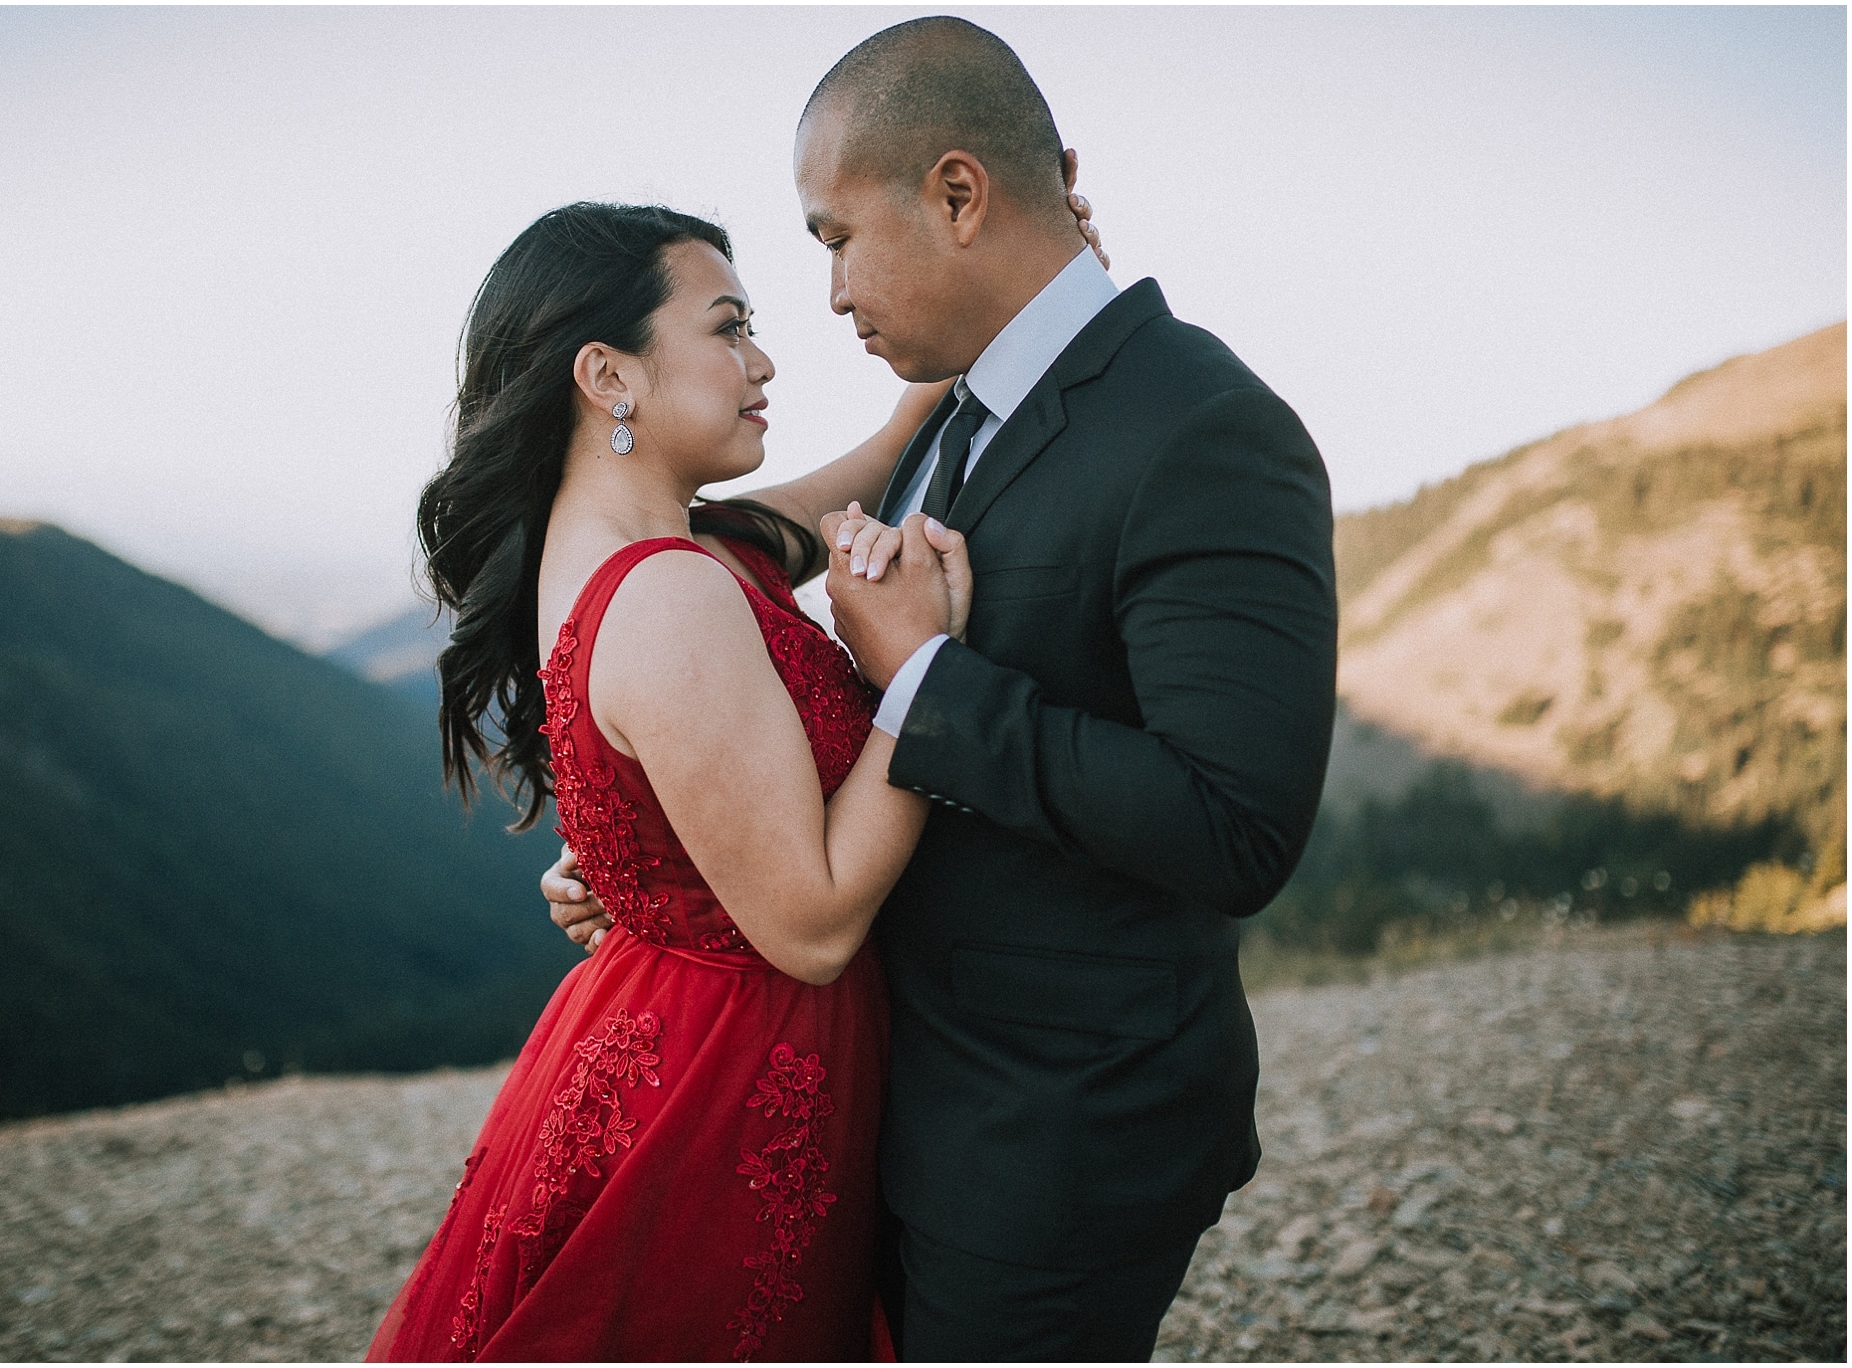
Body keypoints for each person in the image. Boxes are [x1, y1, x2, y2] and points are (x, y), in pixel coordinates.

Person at [547, 17, 1338, 1362]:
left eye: (835, 238)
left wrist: (929, 678)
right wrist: (663, 832)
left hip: (1054, 1144)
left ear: (958, 194)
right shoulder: (955, 417)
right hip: (901, 1107)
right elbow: (727, 568)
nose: (833, 292)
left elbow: (1234, 827)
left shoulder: (1205, 428)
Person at [368, 193, 1098, 1361]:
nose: (762, 360)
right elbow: (808, 926)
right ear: (608, 375)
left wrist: (1006, 301)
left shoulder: (671, 547)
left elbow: (873, 465)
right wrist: (920, 675)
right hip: (727, 1084)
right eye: (728, 326)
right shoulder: (668, 592)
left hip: (666, 1023)